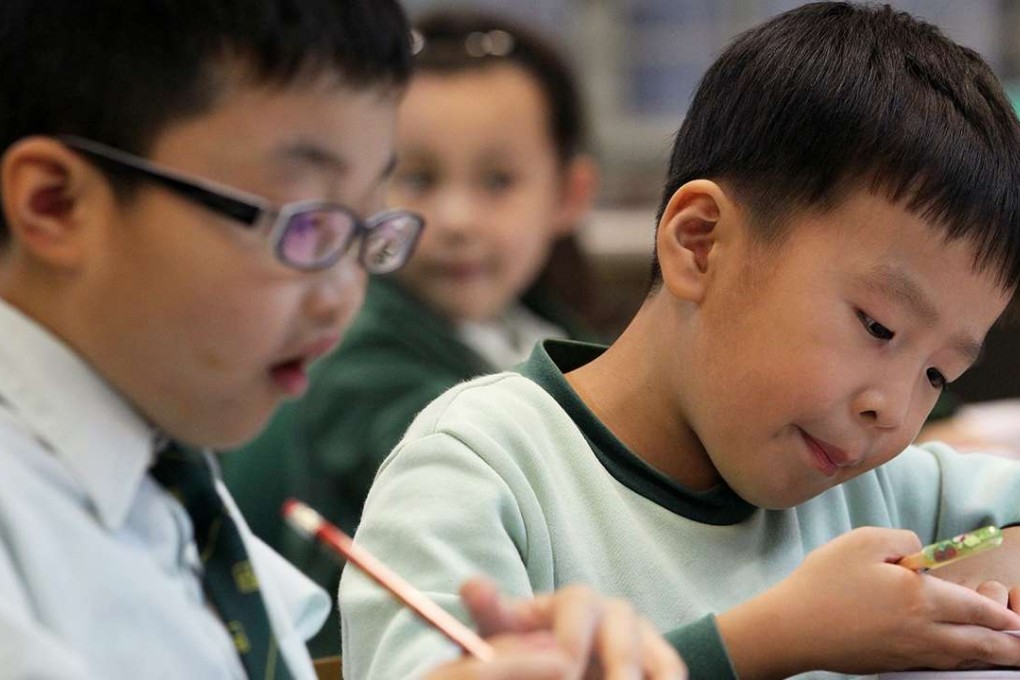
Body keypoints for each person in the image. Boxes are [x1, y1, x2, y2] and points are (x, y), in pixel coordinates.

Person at [0, 1, 686, 678]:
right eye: (300, 223)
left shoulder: (170, 474)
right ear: (55, 203)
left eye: (363, 228)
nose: (342, 295)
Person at [340, 2, 1020, 679]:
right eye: (878, 327)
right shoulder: (483, 471)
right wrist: (769, 640)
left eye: (938, 375)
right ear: (701, 243)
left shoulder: (869, 487)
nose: (894, 410)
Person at [222, 8, 600, 651]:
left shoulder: (546, 330)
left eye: (498, 181)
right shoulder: (348, 348)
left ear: (569, 192)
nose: (455, 219)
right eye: (418, 178)